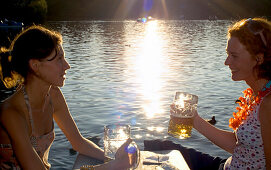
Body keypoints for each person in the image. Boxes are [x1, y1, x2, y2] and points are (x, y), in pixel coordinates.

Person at [0, 25, 136, 170]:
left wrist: (112, 158)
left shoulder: (53, 95)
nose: (67, 66)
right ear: (35, 65)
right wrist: (113, 166)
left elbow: (78, 143)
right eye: (59, 59)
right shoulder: (11, 113)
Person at [145, 17, 271, 170]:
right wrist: (194, 120)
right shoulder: (256, 94)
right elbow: (240, 145)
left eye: (234, 56)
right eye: (227, 54)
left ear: (259, 58)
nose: (226, 62)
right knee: (157, 147)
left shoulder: (268, 104)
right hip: (225, 165)